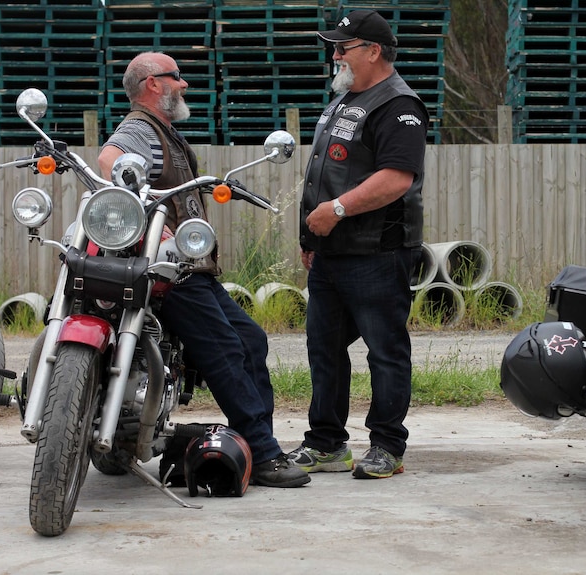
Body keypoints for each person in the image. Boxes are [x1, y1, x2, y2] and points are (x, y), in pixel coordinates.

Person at [97, 51, 309, 488]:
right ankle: (265, 455)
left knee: (251, 339)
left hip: (195, 271)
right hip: (169, 273)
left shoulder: (165, 133)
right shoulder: (139, 128)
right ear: (154, 84)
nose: (185, 84)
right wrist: (161, 236)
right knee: (225, 350)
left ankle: (257, 441)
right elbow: (109, 161)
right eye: (177, 77)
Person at [287, 10, 429, 479]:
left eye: (342, 47)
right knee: (323, 348)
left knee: (385, 349)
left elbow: (396, 178)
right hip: (331, 253)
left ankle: (388, 445)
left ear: (372, 50)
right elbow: (324, 174)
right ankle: (327, 443)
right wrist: (311, 236)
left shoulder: (399, 105)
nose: (334, 55)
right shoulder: (345, 98)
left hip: (378, 253)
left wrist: (338, 211)